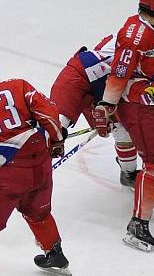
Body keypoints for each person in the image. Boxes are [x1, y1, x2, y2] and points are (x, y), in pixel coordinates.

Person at [0, 51, 71, 275]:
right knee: (38, 213)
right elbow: (50, 116)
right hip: (41, 165)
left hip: (9, 177)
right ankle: (55, 255)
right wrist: (56, 141)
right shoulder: (19, 86)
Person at [92, 0, 154, 251]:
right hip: (138, 107)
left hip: (151, 103)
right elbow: (119, 74)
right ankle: (138, 226)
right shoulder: (134, 35)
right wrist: (107, 105)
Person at [50, 34, 140, 188]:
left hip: (106, 88)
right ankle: (25, 163)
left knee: (122, 127)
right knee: (54, 131)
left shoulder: (146, 45)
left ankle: (128, 173)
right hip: (78, 77)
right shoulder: (128, 37)